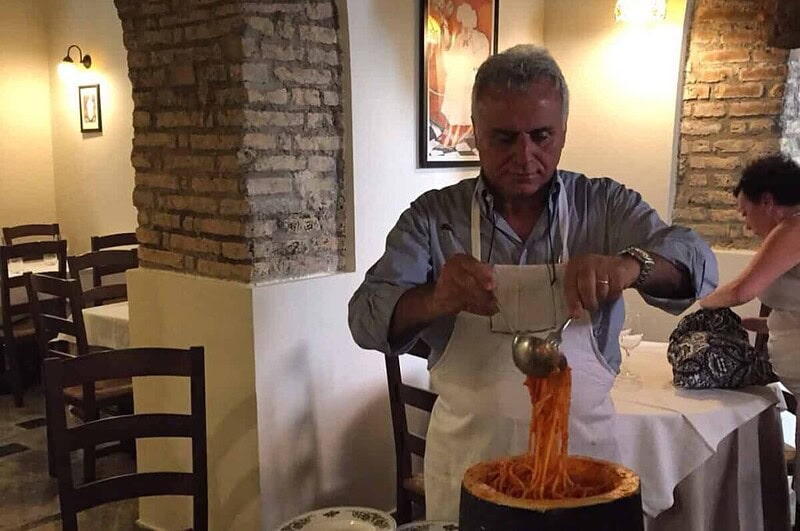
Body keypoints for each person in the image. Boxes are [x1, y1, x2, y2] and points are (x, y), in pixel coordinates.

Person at [348, 44, 717, 520]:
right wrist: (435, 297)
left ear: (563, 132)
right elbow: (365, 317)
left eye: (541, 136)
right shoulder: (433, 218)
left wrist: (632, 265)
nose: (525, 156)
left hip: (584, 465)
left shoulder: (603, 206)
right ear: (475, 134)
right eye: (504, 138)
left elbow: (696, 257)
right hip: (467, 464)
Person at [700, 154, 800, 477]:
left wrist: (699, 303)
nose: (745, 224)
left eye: (746, 213)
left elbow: (742, 289)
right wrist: (753, 324)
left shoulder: (794, 229)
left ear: (767, 202)